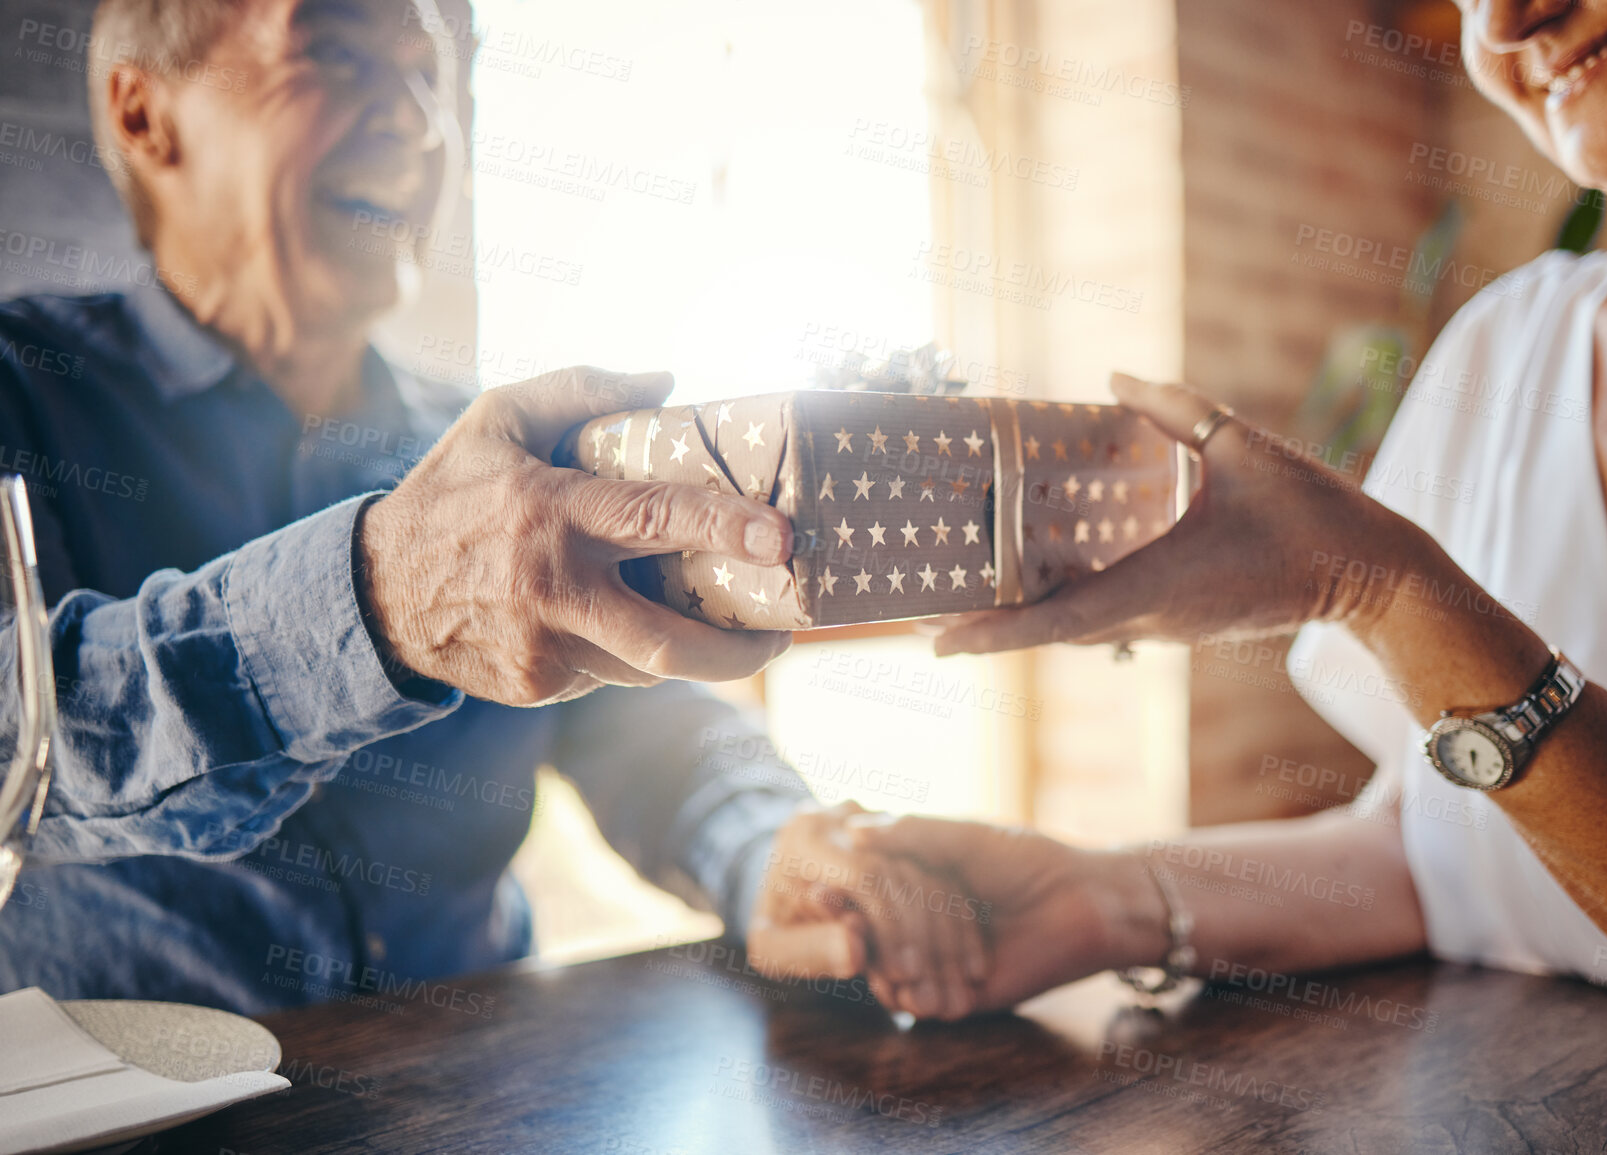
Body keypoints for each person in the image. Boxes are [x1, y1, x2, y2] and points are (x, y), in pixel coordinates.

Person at [0, 0, 983, 1021]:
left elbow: (642, 723)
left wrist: (768, 844)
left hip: (483, 1089)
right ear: (143, 114)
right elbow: (11, 734)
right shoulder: (20, 393)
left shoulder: (484, 456)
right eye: (334, 52)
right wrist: (379, 598)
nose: (420, 123)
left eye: (433, 78)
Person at [839, 0, 1607, 1051]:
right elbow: (1435, 854)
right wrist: (1096, 898)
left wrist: (1381, 587)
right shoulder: (1506, 345)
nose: (1511, 22)